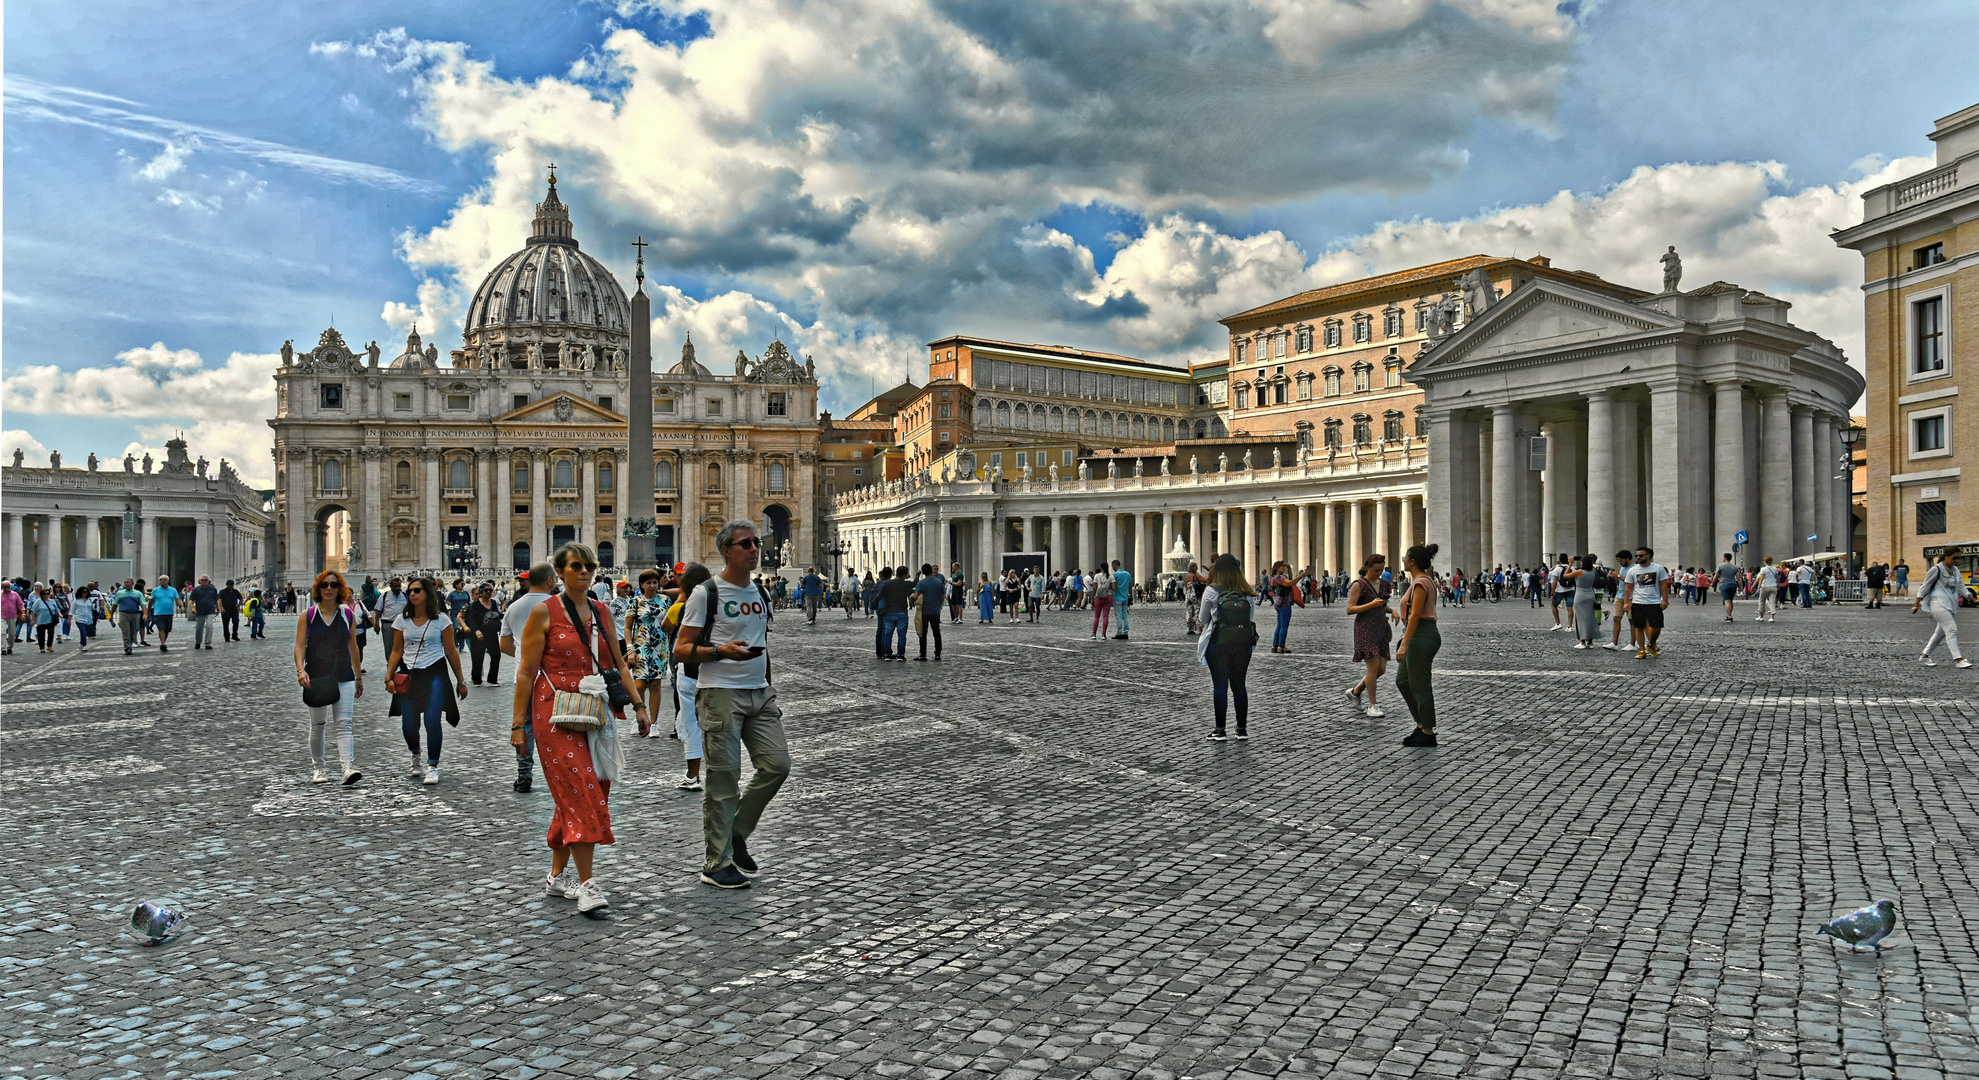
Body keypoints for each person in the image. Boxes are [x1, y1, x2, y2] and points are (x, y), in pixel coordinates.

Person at [514, 542, 650, 915]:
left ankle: (557, 877)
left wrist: (639, 705)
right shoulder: (543, 614)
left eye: (589, 566)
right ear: (560, 572)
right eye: (576, 566)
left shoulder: (602, 611)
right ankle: (588, 885)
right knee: (581, 788)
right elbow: (526, 672)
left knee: (588, 788)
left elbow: (618, 663)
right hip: (554, 711)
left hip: (593, 708)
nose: (585, 572)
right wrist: (517, 725)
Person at [673, 519, 790, 891]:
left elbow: (762, 643)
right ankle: (716, 862)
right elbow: (680, 649)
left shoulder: (760, 592)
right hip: (720, 692)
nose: (754, 548)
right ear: (726, 550)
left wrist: (769, 688)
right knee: (724, 780)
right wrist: (720, 651)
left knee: (778, 765)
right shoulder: (706, 593)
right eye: (746, 544)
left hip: (758, 692)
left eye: (756, 542)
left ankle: (737, 831)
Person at [387, 577, 468, 786]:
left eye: (417, 590)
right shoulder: (401, 620)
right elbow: (397, 650)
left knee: (432, 720)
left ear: (427, 595)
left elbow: (451, 651)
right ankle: (415, 754)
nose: (412, 594)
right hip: (409, 675)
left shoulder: (442, 620)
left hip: (435, 672)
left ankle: (432, 766)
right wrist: (388, 676)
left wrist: (461, 680)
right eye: (410, 591)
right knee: (408, 724)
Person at [294, 570, 365, 785]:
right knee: (318, 724)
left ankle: (347, 768)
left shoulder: (348, 615)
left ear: (339, 589)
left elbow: (352, 645)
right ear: (318, 588)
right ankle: (319, 768)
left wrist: (358, 676)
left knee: (344, 723)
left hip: (343, 674)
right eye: (325, 585)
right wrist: (300, 670)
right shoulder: (308, 615)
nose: (329, 589)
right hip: (315, 675)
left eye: (334, 585)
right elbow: (299, 646)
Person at [501, 562, 559, 793]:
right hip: (554, 679)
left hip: (523, 677)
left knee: (524, 726)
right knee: (558, 726)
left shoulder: (513, 607)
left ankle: (524, 775)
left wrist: (526, 657)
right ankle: (560, 775)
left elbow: (504, 644)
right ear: (549, 580)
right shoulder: (556, 605)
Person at [660, 563, 713, 788]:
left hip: (690, 668)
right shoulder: (718, 605)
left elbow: (665, 628)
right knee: (718, 724)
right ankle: (721, 772)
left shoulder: (682, 606)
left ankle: (693, 776)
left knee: (691, 721)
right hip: (715, 670)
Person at [1195, 553, 1257, 740]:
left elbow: (1203, 619)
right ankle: (1241, 729)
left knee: (1220, 687)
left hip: (1218, 643)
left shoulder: (1212, 590)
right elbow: (1250, 616)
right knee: (1239, 686)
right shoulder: (1246, 590)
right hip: (1242, 643)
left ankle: (1220, 730)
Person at [1394, 543, 1442, 746]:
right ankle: (1421, 724)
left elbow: (1415, 615)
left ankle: (1428, 731)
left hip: (1421, 634)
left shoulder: (1421, 582)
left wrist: (1404, 643)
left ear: (1412, 561)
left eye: (1406, 557)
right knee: (1403, 681)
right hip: (1416, 634)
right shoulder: (1420, 581)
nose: (1403, 560)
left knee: (1420, 684)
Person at [1344, 554, 1392, 717]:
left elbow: (1382, 605)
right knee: (1372, 667)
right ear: (1367, 568)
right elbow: (1350, 609)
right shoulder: (1359, 585)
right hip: (1364, 629)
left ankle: (1355, 692)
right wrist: (1371, 604)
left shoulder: (1385, 584)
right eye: (1376, 570)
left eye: (1382, 570)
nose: (1379, 573)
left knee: (1381, 669)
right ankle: (1373, 705)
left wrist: (1393, 611)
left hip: (1381, 628)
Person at [1912, 546, 1972, 668]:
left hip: (1951, 605)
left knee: (1940, 633)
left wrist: (1970, 597)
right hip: (1938, 604)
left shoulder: (1955, 570)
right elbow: (1924, 586)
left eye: (1959, 558)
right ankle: (1958, 659)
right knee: (1951, 629)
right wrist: (1916, 604)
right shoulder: (1936, 570)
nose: (1957, 561)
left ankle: (1924, 656)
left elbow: (1961, 586)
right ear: (1947, 556)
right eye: (1955, 558)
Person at [1624, 547, 1671, 659]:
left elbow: (1664, 584)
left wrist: (1665, 599)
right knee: (1639, 627)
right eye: (1637, 556)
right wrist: (1626, 602)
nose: (1638, 558)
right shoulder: (1632, 570)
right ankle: (1642, 650)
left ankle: (1651, 644)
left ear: (1648, 556)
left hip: (1654, 601)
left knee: (1657, 626)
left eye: (1641, 555)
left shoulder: (1658, 568)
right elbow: (1628, 587)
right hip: (1638, 602)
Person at [460, 583, 504, 685]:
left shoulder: (493, 602)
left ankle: (492, 679)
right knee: (477, 656)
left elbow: (496, 615)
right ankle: (477, 679)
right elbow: (472, 619)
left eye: (490, 590)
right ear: (481, 592)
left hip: (491, 633)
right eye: (486, 590)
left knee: (496, 655)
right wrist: (476, 630)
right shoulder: (475, 604)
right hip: (478, 634)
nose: (488, 592)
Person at [877, 565, 912, 660]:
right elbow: (916, 583)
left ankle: (887, 654)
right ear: (905, 575)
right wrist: (917, 574)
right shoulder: (905, 584)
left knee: (888, 634)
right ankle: (900, 654)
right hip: (902, 612)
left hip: (889, 612)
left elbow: (879, 596)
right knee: (901, 635)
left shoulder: (887, 583)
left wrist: (873, 604)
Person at [1568, 554, 1600, 650]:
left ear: (1582, 563)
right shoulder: (1593, 572)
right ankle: (1590, 641)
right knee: (1590, 618)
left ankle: (1582, 641)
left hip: (1580, 595)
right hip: (1590, 594)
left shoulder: (1579, 572)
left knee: (1580, 618)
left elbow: (1566, 575)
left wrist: (1570, 565)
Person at [914, 563, 946, 661]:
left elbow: (915, 596)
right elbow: (942, 597)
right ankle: (937, 654)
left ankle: (923, 654)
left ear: (923, 572)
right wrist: (938, 606)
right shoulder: (939, 582)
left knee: (923, 633)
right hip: (935, 611)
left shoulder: (921, 583)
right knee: (936, 633)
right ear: (931, 571)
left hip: (924, 611)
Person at [1267, 561, 1297, 653]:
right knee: (1284, 626)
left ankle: (1274, 645)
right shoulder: (1279, 578)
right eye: (1281, 567)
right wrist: (1302, 575)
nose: (1283, 568)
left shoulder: (1273, 578)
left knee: (1279, 626)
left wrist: (1289, 568)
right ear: (1276, 568)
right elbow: (1290, 582)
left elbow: (1290, 578)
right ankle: (1281, 646)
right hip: (1285, 603)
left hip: (1278, 603)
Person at [148, 577, 181, 652]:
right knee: (161, 628)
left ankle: (163, 642)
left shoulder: (173, 590)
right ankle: (163, 643)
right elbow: (151, 601)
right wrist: (148, 611)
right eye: (161, 580)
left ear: (168, 581)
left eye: (164, 579)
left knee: (167, 630)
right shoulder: (155, 590)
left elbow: (177, 599)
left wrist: (181, 606)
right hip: (158, 613)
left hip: (169, 613)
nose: (162, 581)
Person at [1110, 559, 1134, 640]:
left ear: (1114, 565)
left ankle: (1119, 633)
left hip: (1117, 597)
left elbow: (1113, 587)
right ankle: (1126, 632)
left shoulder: (1114, 575)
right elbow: (1130, 586)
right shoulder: (1128, 574)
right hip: (1125, 597)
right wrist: (1130, 595)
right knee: (1125, 616)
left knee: (1118, 616)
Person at [1755, 556, 1782, 623]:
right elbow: (1777, 577)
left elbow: (1762, 578)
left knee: (1762, 601)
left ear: (1765, 561)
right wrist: (1778, 585)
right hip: (1773, 586)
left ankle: (1761, 617)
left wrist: (1759, 586)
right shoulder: (1775, 568)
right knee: (1772, 602)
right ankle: (1772, 617)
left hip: (1765, 586)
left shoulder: (1763, 569)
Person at [1714, 554, 1740, 622]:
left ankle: (1729, 616)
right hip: (1733, 585)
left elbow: (1716, 576)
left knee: (1727, 601)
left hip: (1724, 585)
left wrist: (1713, 583)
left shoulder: (1720, 566)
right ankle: (1730, 614)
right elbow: (1738, 578)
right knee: (1731, 601)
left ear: (1725, 558)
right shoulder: (1735, 567)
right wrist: (1740, 587)